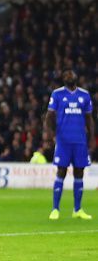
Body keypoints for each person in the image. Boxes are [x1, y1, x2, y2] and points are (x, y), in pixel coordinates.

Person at [45, 70, 94, 220]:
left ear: (76, 77)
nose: (68, 76)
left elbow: (89, 119)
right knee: (61, 171)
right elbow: (49, 116)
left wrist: (91, 138)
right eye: (66, 75)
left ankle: (77, 209)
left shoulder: (84, 95)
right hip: (63, 140)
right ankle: (55, 209)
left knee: (79, 172)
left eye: (71, 74)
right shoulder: (57, 94)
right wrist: (51, 134)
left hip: (80, 141)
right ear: (63, 79)